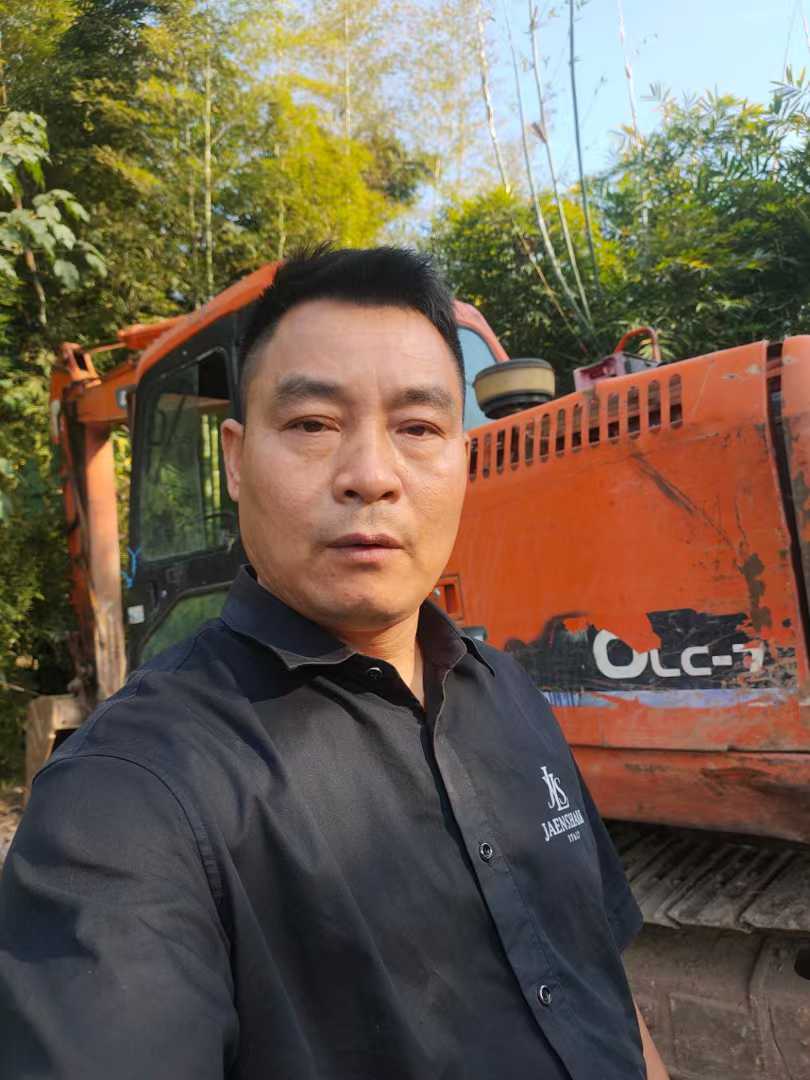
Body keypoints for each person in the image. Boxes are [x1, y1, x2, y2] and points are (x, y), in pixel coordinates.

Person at [0, 246, 669, 1079]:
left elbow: (601, 984)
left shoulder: (511, 694)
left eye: (418, 428)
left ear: (463, 458)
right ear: (236, 459)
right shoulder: (130, 796)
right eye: (314, 425)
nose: (370, 476)